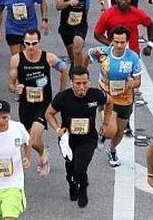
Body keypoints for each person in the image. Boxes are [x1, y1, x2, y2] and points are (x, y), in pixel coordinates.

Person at [45, 66, 113, 207]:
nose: (82, 87)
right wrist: (57, 128)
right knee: (71, 168)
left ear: (88, 81)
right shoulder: (63, 97)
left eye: (85, 83)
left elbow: (110, 101)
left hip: (88, 139)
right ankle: (72, 183)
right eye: (78, 83)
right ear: (72, 83)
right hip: (67, 139)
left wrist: (106, 122)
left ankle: (83, 188)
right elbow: (49, 113)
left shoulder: (95, 95)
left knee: (81, 167)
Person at [8, 30, 68, 176]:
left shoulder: (48, 57)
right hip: (26, 104)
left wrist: (61, 93)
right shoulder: (16, 59)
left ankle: (43, 156)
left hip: (44, 104)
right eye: (27, 43)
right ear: (23, 43)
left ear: (39, 43)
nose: (30, 47)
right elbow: (10, 84)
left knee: (33, 140)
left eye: (34, 43)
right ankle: (42, 152)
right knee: (27, 138)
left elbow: (64, 69)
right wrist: (15, 88)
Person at [54, 0, 104, 66]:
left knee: (77, 50)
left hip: (80, 24)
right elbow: (58, 6)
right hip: (66, 25)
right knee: (71, 53)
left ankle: (80, 72)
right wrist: (68, 3)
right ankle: (75, 66)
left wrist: (102, 1)